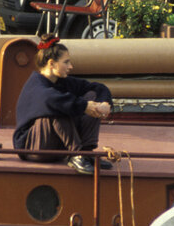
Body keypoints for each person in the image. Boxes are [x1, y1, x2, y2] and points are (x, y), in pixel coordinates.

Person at [12, 35, 113, 174]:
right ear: (52, 63)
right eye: (66, 62)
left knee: (91, 95)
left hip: (56, 147)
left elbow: (98, 87)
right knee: (57, 107)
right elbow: (51, 100)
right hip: (33, 148)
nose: (70, 66)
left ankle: (86, 153)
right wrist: (84, 107)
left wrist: (104, 103)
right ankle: (76, 155)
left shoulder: (63, 82)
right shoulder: (36, 85)